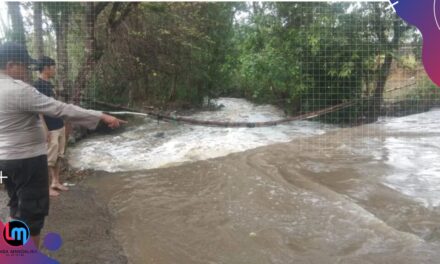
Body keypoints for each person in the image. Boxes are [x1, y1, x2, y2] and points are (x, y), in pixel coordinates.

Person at [0, 42, 126, 249]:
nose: (27, 72)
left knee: (16, 206)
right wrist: (100, 115)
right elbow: (60, 109)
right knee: (32, 215)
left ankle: (12, 252)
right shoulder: (19, 90)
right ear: (12, 64)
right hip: (27, 161)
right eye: (25, 67)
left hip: (4, 162)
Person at [34, 56, 67, 197]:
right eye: (53, 67)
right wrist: (44, 129)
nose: (55, 70)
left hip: (59, 124)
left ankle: (55, 181)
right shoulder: (38, 86)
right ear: (46, 68)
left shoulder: (49, 84)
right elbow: (39, 111)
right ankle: (45, 188)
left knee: (59, 155)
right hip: (50, 127)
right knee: (48, 158)